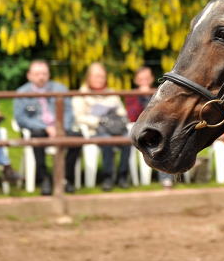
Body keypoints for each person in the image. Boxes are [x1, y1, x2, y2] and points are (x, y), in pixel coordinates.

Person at [14, 60, 82, 195]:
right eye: (37, 74)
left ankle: (66, 178)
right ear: (29, 75)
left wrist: (60, 128)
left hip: (60, 127)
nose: (41, 77)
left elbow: (69, 112)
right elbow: (21, 118)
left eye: (44, 73)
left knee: (77, 138)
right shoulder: (21, 92)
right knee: (37, 137)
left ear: (49, 74)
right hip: (38, 129)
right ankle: (44, 178)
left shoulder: (60, 89)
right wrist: (45, 127)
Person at [73, 62, 131, 191]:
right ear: (88, 77)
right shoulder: (81, 94)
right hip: (95, 130)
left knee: (128, 140)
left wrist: (115, 119)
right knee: (107, 142)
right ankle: (108, 177)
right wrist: (98, 120)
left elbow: (122, 112)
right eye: (96, 76)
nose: (99, 79)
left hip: (116, 128)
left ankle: (122, 175)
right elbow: (78, 116)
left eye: (102, 76)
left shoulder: (111, 93)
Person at [125, 66, 173, 188]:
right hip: (140, 127)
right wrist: (141, 96)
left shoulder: (159, 93)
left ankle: (166, 177)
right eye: (141, 79)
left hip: (157, 127)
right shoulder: (132, 95)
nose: (144, 81)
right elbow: (132, 116)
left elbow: (164, 112)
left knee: (165, 137)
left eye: (147, 78)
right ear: (136, 80)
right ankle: (162, 177)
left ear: (151, 78)